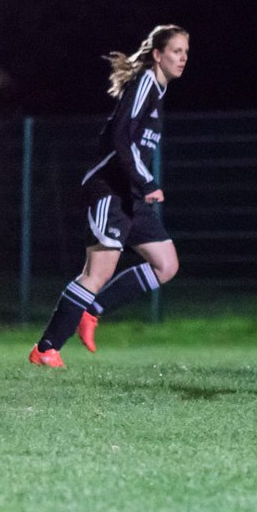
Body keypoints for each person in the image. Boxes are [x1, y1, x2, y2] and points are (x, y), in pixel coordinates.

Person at [28, 25, 189, 368]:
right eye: (176, 51)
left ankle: (92, 312)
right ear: (157, 54)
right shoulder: (146, 81)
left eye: (186, 52)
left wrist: (140, 186)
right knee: (96, 273)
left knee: (166, 264)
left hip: (130, 194)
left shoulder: (157, 92)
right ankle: (46, 348)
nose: (183, 58)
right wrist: (147, 182)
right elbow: (120, 138)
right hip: (110, 189)